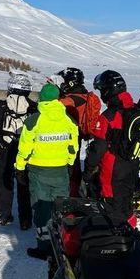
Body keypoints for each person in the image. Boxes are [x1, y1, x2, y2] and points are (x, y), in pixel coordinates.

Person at [16, 83, 78, 259]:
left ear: (42, 99)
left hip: (38, 171)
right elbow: (73, 146)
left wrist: (20, 168)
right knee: (60, 206)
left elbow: (24, 149)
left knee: (42, 208)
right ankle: (63, 244)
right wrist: (70, 164)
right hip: (61, 171)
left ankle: (44, 247)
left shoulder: (33, 120)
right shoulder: (69, 120)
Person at [0, 74, 37, 228]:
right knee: (24, 183)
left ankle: (4, 216)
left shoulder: (1, 106)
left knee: (4, 182)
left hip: (5, 149)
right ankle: (25, 220)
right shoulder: (33, 107)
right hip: (26, 151)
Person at [82, 70, 140, 227]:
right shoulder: (136, 110)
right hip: (132, 165)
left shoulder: (108, 116)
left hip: (113, 168)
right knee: (127, 202)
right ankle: (131, 232)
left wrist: (88, 170)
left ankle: (117, 241)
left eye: (102, 90)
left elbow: (98, 148)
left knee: (112, 205)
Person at [56, 68, 102, 197]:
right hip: (77, 135)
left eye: (63, 81)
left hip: (69, 138)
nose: (62, 84)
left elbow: (53, 108)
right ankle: (74, 193)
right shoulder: (83, 95)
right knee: (74, 165)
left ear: (71, 83)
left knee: (70, 167)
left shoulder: (71, 100)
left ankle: (72, 195)